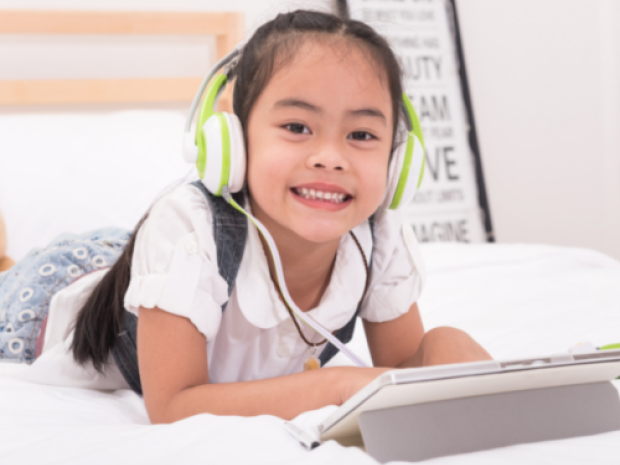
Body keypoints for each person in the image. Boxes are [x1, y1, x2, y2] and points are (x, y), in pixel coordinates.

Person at [0, 10, 490, 423]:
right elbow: (173, 405)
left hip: (154, 265)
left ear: (398, 158)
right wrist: (339, 387)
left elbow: (399, 368)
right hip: (52, 292)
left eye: (361, 135)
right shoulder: (188, 230)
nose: (331, 157)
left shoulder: (377, 234)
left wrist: (447, 349)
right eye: (297, 126)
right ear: (231, 143)